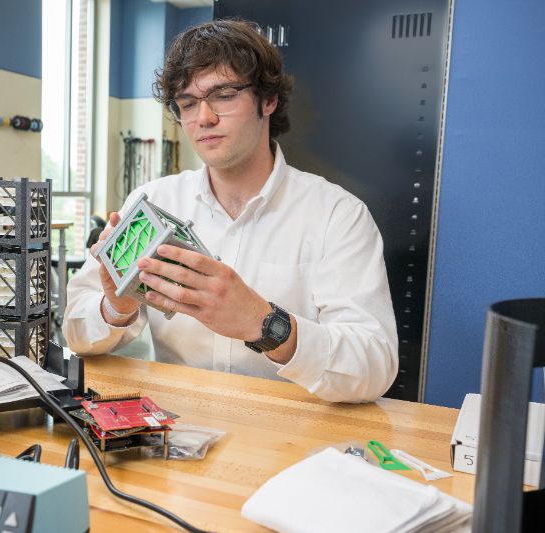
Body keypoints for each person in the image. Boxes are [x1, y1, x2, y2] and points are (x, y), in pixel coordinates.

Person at [63, 19, 397, 403]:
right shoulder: (153, 203)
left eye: (223, 95)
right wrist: (116, 308)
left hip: (290, 435)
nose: (203, 118)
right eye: (187, 103)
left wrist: (265, 324)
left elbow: (374, 366)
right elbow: (76, 332)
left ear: (268, 100)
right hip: (177, 427)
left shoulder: (337, 214)